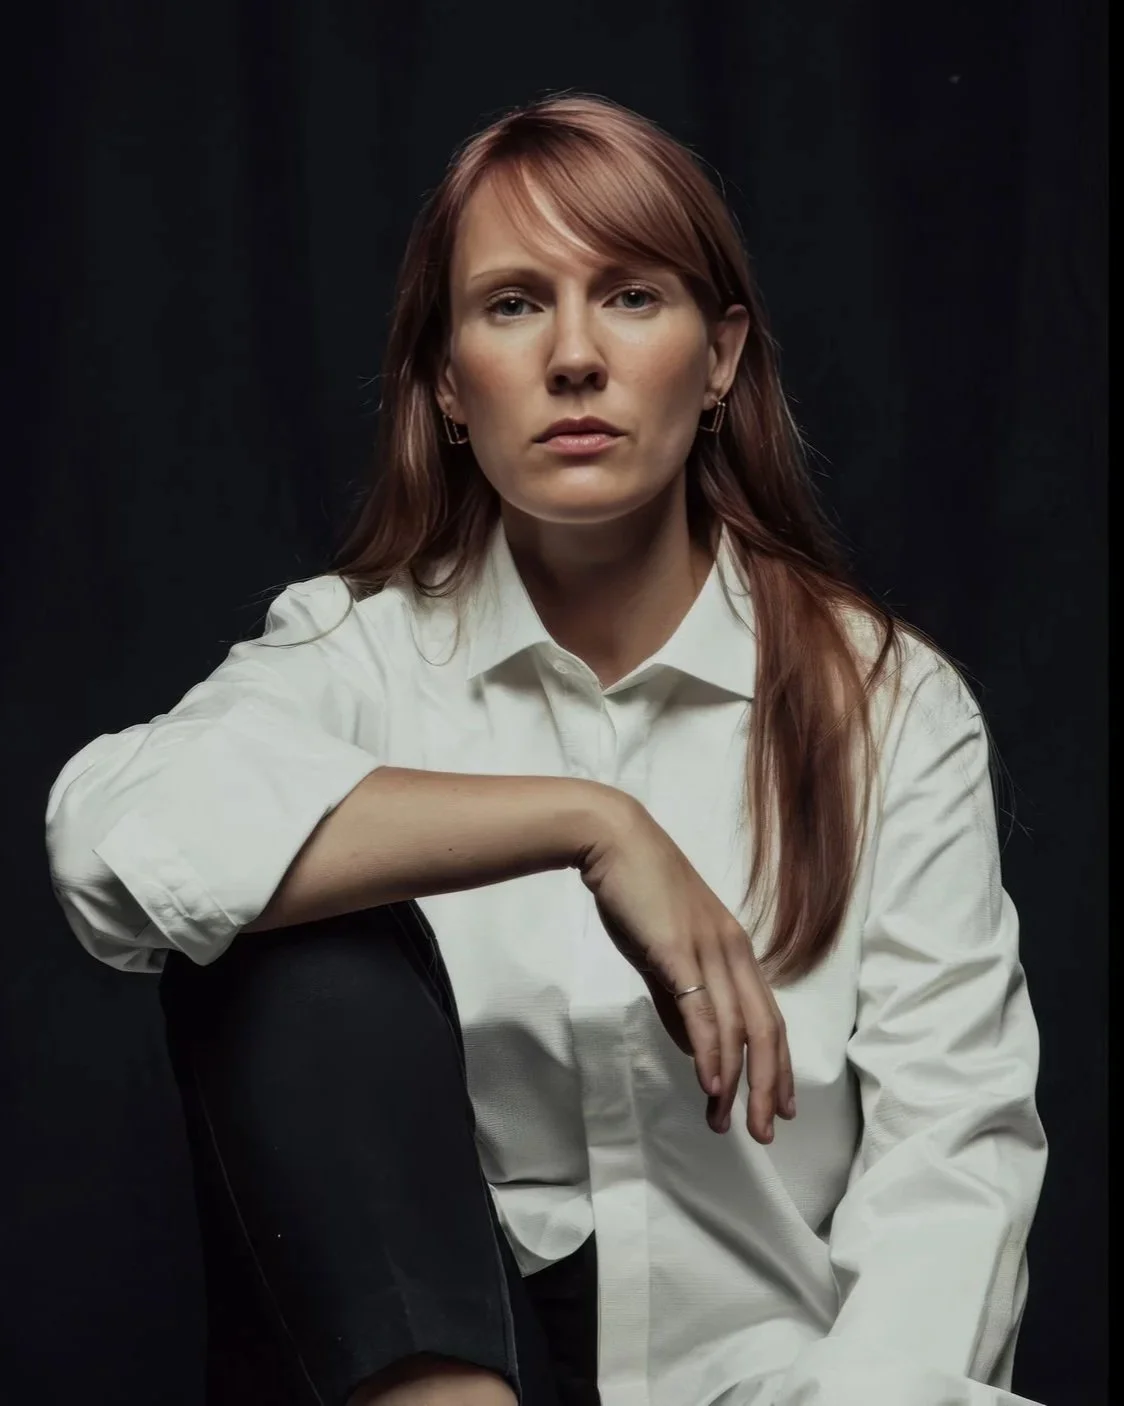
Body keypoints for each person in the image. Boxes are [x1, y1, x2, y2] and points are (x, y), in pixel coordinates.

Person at [44, 92, 1048, 1406]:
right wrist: (585, 821)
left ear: (721, 356)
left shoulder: (886, 704)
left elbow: (952, 1158)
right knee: (292, 925)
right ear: (449, 384)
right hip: (407, 1371)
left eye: (631, 296)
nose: (575, 356)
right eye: (514, 304)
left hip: (766, 1387)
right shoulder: (361, 653)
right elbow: (110, 841)